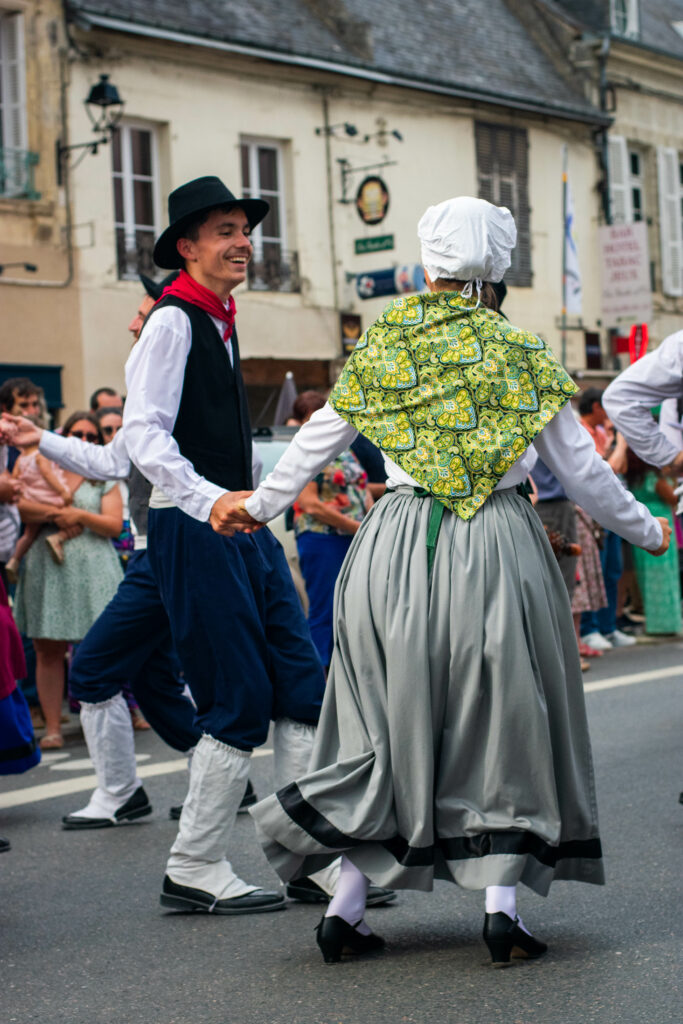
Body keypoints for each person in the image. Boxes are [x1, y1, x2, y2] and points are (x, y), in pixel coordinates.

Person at [218, 196, 669, 964]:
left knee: (389, 724)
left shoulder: (384, 345)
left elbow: (313, 442)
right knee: (504, 717)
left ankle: (346, 909)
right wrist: (650, 530)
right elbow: (583, 473)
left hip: (391, 545)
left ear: (428, 263)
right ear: (497, 266)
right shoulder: (519, 352)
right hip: (491, 541)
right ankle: (500, 907)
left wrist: (254, 506)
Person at [122, 175, 380, 916]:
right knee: (236, 697)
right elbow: (141, 436)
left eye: (244, 229)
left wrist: (249, 502)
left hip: (240, 523)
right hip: (194, 522)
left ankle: (306, 858)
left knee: (300, 684)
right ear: (187, 247)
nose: (242, 242)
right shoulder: (173, 321)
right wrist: (213, 501)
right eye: (225, 231)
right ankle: (194, 862)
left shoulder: (218, 316)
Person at [11, 411, 124, 749]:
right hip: (48, 570)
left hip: (94, 573)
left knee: (99, 648)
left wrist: (79, 516)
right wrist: (57, 515)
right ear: (65, 435)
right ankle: (54, 729)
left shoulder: (103, 474)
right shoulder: (41, 465)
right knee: (47, 650)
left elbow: (114, 525)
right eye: (78, 433)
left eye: (92, 437)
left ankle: (103, 729)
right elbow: (20, 507)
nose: (85, 441)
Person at [289, 391, 373, 669]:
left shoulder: (343, 447)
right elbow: (310, 504)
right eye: (313, 418)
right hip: (323, 539)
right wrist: (357, 527)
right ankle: (321, 678)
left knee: (352, 611)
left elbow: (359, 487)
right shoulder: (306, 449)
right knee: (325, 610)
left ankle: (347, 673)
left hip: (352, 538)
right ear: (301, 421)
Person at [578, 388, 635, 651]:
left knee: (613, 569)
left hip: (610, 509)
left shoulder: (601, 433)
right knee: (594, 570)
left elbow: (619, 467)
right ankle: (590, 629)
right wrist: (621, 443)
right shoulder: (581, 432)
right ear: (595, 407)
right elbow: (610, 467)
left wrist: (616, 446)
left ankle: (609, 626)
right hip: (591, 512)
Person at [624, 451, 681, 636]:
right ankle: (666, 623)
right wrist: (669, 475)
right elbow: (673, 497)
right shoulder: (653, 477)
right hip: (660, 523)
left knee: (646, 577)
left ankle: (654, 622)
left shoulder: (634, 478)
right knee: (665, 574)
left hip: (641, 527)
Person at [5, 436, 74, 577]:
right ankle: (58, 538)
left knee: (29, 534)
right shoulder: (40, 455)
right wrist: (62, 491)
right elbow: (48, 474)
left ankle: (14, 560)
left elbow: (14, 478)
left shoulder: (21, 457)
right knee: (73, 521)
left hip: (29, 496)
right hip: (45, 496)